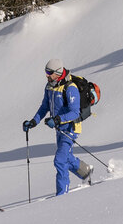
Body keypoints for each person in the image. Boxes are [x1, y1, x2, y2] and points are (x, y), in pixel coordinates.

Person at [22, 59, 93, 195]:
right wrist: (33, 122)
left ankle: (62, 196)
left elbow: (75, 112)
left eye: (49, 73)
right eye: (46, 72)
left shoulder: (70, 88)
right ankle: (86, 172)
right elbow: (45, 107)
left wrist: (57, 119)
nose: (47, 75)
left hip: (71, 128)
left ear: (58, 73)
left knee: (60, 160)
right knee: (66, 157)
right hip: (59, 129)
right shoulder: (49, 87)